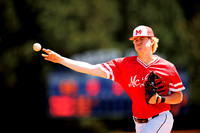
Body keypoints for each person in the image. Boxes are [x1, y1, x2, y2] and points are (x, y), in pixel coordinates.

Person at [42, 25, 185, 133]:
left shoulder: (167, 67)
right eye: (135, 39)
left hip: (161, 118)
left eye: (142, 38)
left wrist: (161, 99)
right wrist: (61, 60)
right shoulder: (123, 65)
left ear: (152, 41)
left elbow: (178, 96)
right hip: (139, 122)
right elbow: (91, 69)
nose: (138, 42)